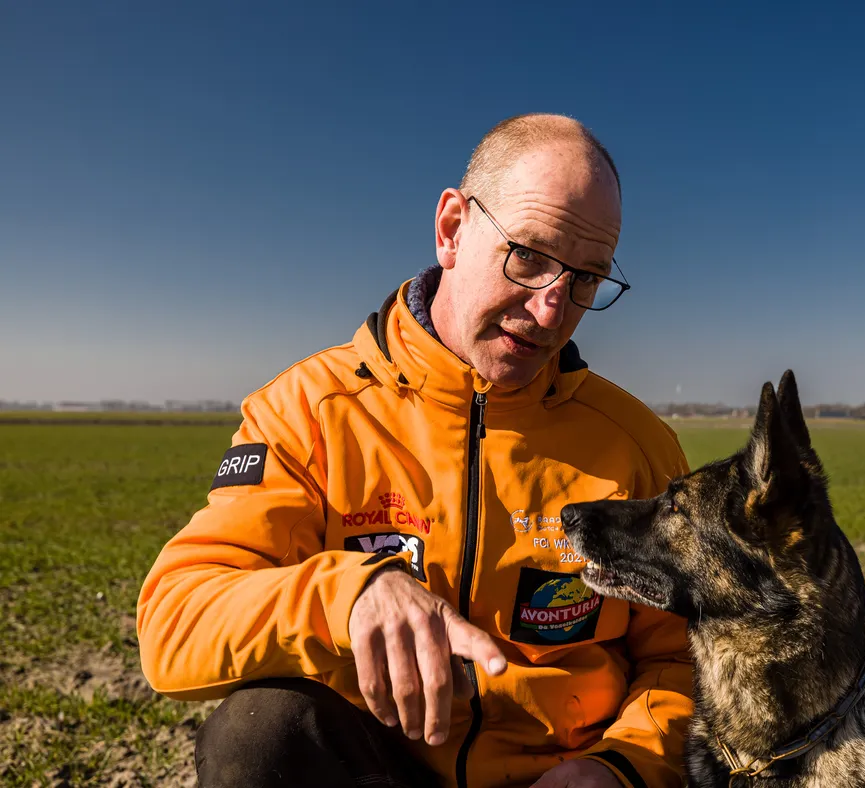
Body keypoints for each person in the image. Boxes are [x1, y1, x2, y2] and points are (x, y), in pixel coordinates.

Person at [137, 114, 693, 788]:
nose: (552, 310)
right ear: (452, 229)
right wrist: (348, 595)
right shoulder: (310, 411)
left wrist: (623, 767)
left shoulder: (638, 447)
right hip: (378, 770)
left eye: (585, 279)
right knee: (260, 730)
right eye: (530, 256)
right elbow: (174, 623)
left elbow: (686, 658)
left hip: (564, 776)